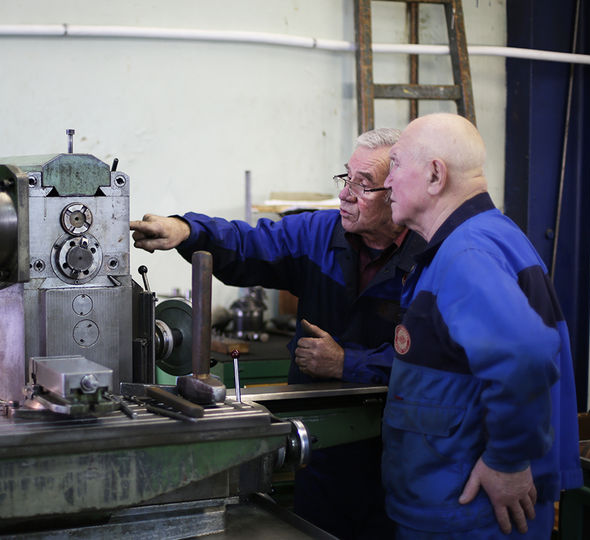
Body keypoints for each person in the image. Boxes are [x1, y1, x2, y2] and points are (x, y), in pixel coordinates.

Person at [130, 128, 425, 539]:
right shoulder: (320, 234)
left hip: (398, 453)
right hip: (319, 451)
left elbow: (434, 360)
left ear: (397, 191)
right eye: (346, 178)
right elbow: (249, 243)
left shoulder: (430, 257)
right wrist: (187, 230)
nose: (345, 194)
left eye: (363, 185)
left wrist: (347, 362)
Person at [382, 112, 583, 538]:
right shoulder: (491, 234)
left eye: (396, 163)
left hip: (467, 514)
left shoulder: (466, 253)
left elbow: (525, 353)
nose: (387, 181)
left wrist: (506, 461)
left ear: (436, 174)